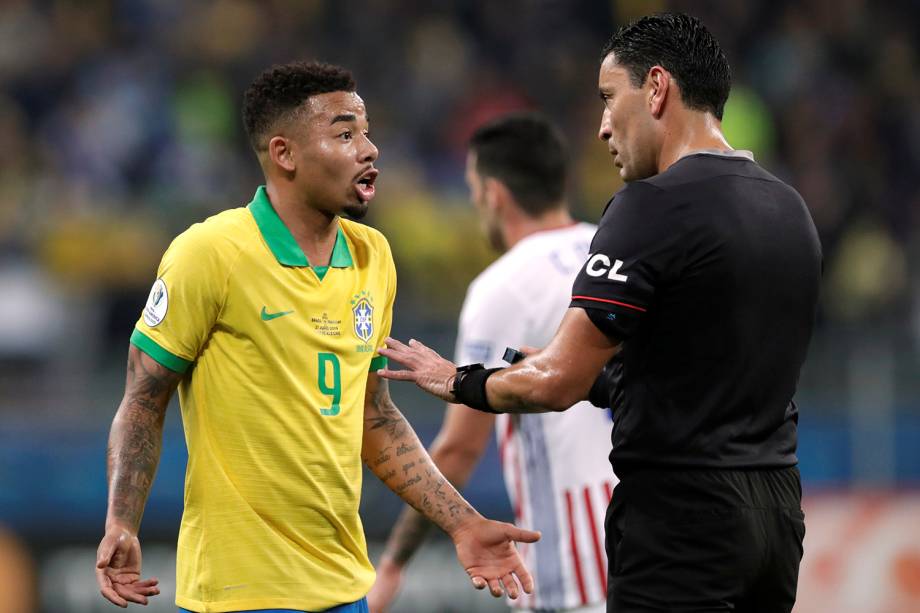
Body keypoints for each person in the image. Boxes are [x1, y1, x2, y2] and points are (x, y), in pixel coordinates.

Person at [377, 13, 821, 613]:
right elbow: (708, 374)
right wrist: (602, 378)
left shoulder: (650, 206)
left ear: (658, 89)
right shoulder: (789, 207)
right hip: (776, 519)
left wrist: (458, 380)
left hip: (682, 519)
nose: (603, 127)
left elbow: (555, 381)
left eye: (610, 99)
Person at [94, 60, 540, 613]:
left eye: (368, 131)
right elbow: (142, 399)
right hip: (240, 594)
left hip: (345, 587)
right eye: (345, 133)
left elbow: (373, 418)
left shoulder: (372, 256)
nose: (370, 149)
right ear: (284, 154)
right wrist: (122, 521)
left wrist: (463, 524)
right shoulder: (210, 252)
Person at [369, 113, 615, 613]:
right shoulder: (616, 252)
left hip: (571, 560)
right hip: (653, 541)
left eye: (473, 188)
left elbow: (460, 448)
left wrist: (393, 562)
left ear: (495, 194)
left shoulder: (502, 287)